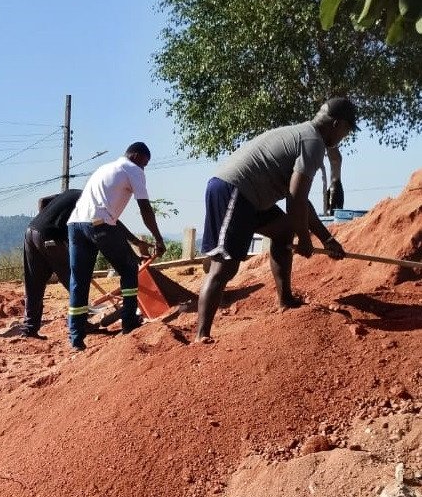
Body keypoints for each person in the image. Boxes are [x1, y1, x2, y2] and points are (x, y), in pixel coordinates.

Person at [196, 97, 355, 343]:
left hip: (251, 198)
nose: (344, 137)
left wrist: (327, 239)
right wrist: (305, 239)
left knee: (282, 232)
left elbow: (301, 203)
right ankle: (201, 335)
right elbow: (296, 199)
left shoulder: (305, 135)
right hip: (234, 191)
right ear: (337, 124)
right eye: (347, 130)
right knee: (225, 266)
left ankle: (285, 299)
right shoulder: (313, 143)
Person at [66, 142, 167, 351]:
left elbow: (109, 218)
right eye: (145, 163)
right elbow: (145, 208)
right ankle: (129, 323)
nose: (144, 168)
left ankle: (76, 338)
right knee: (129, 270)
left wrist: (135, 242)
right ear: (136, 156)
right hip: (99, 225)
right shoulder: (133, 170)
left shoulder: (104, 169)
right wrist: (158, 239)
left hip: (75, 225)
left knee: (79, 281)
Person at [10, 189, 82, 340]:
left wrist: (45, 222)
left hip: (31, 231)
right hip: (51, 236)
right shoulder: (91, 200)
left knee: (34, 283)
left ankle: (29, 329)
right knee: (76, 282)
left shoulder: (68, 194)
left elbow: (42, 201)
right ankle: (80, 324)